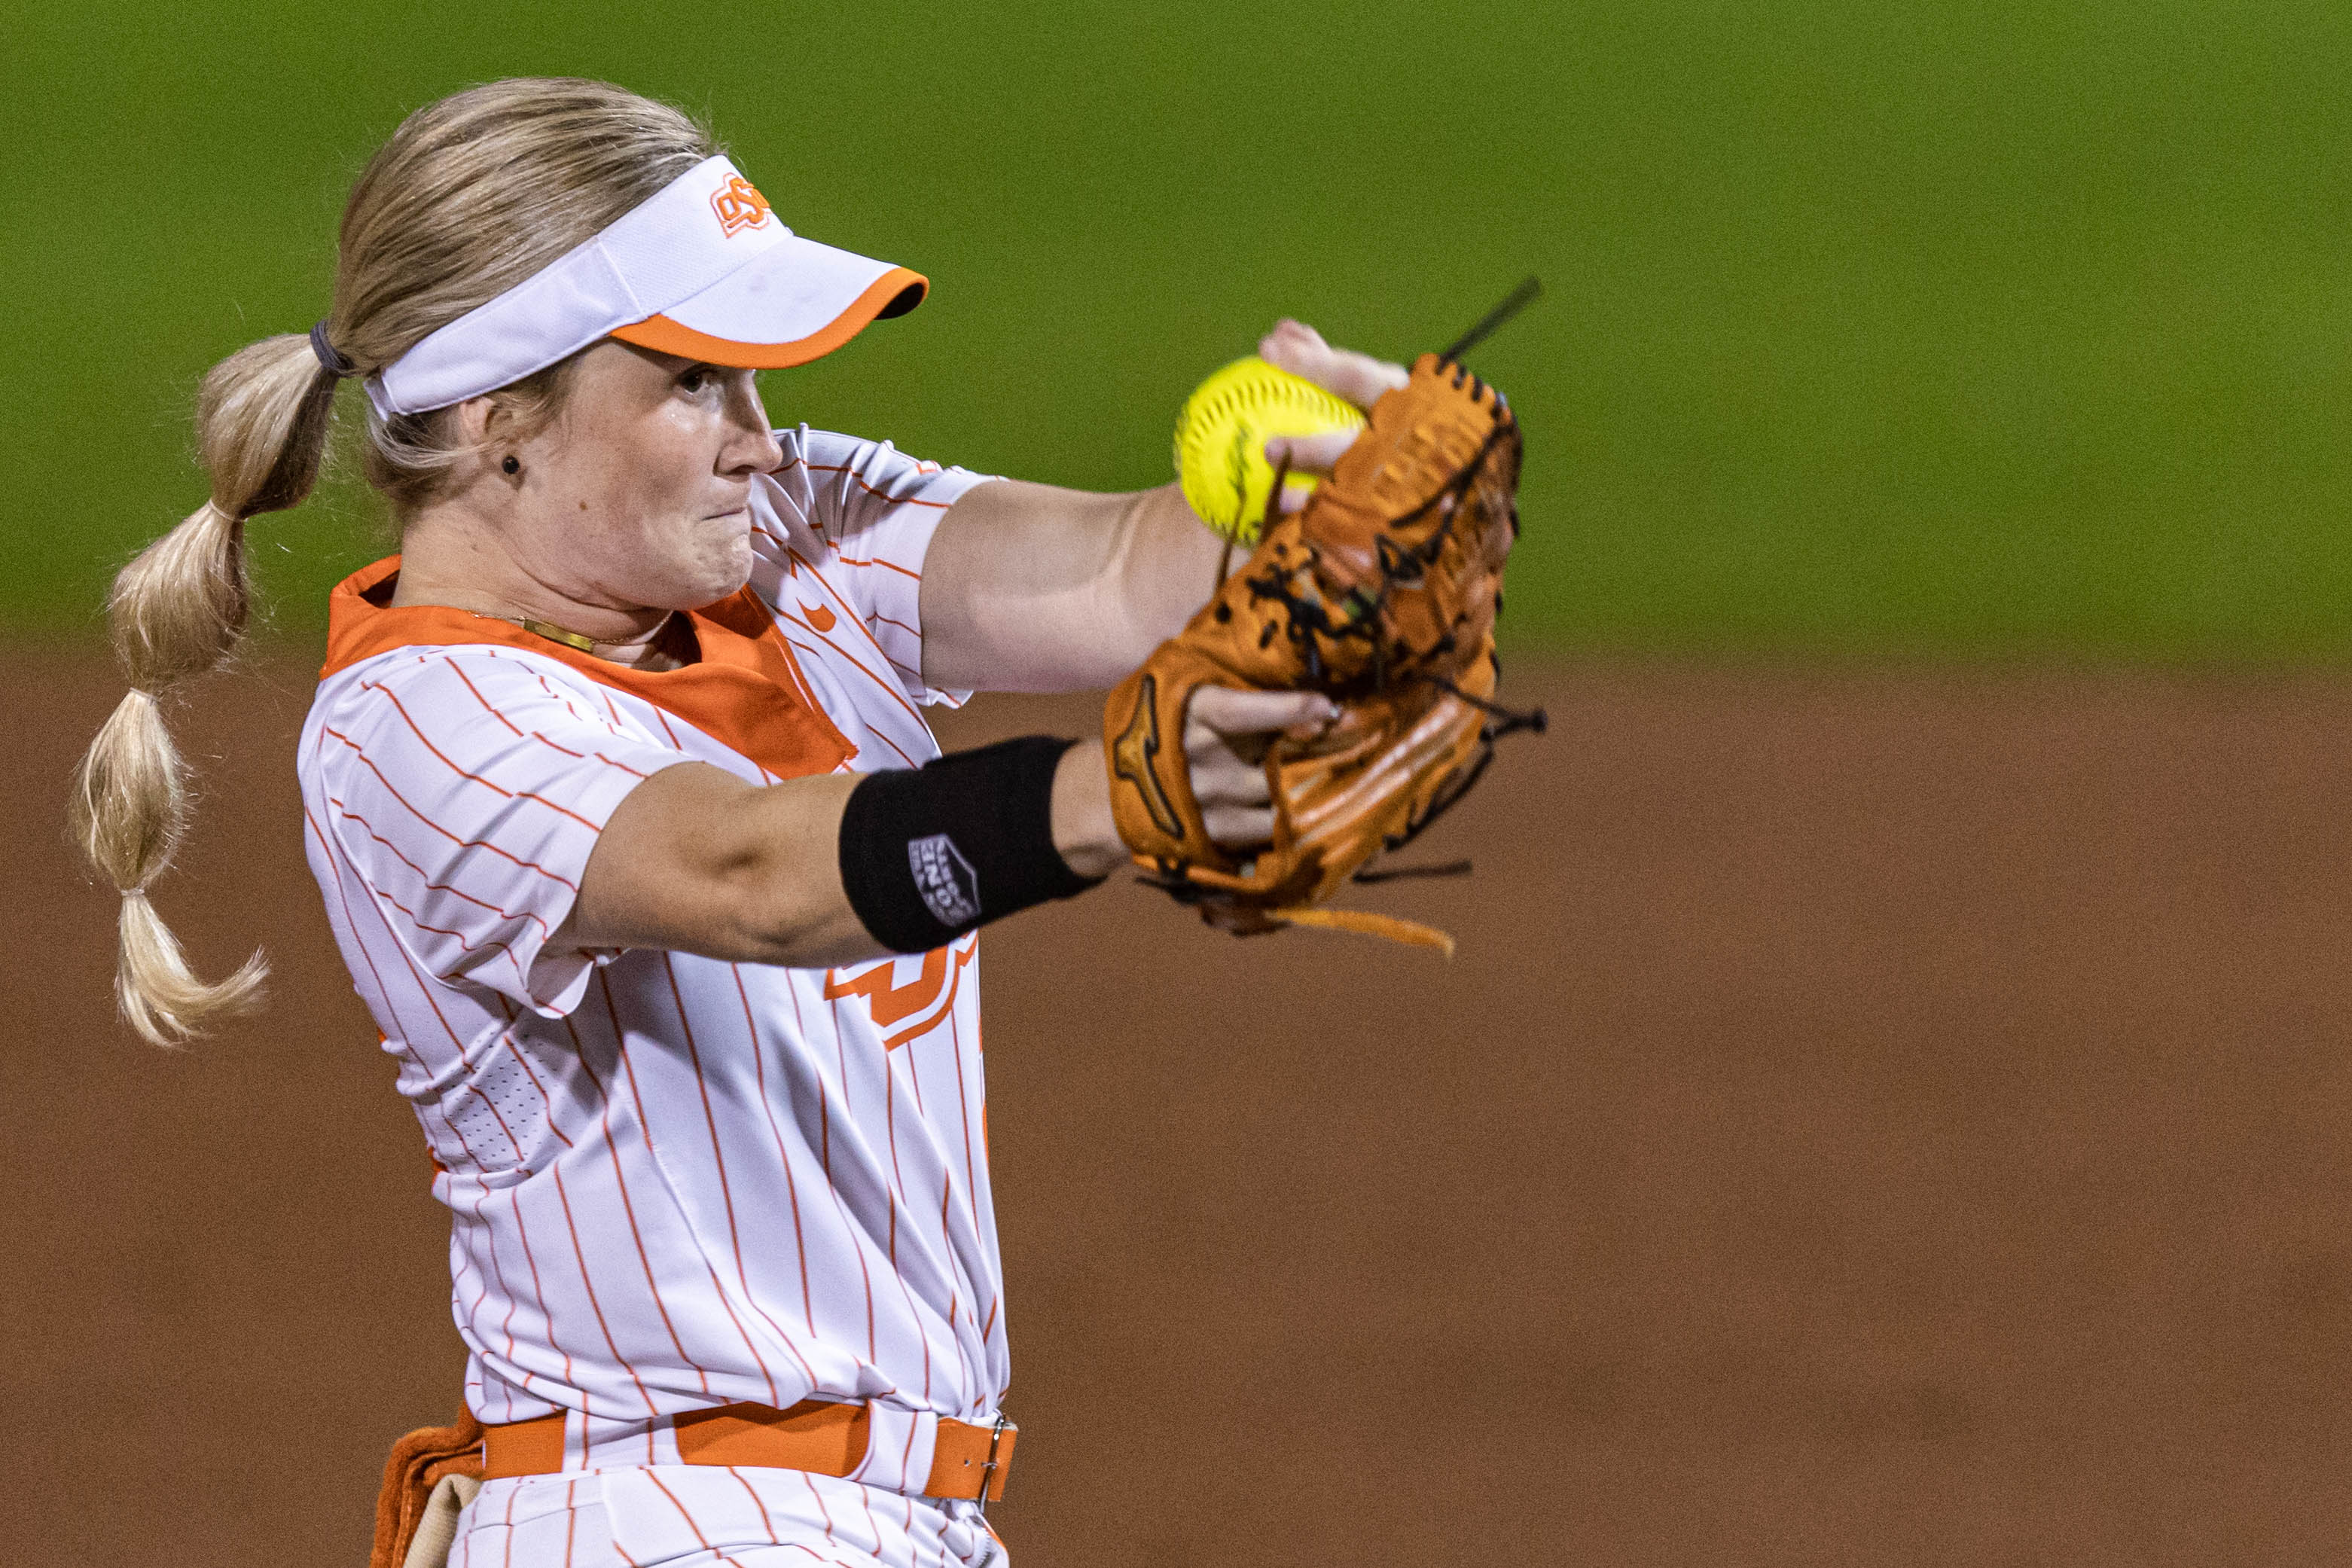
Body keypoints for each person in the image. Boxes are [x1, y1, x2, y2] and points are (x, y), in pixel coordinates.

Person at [69, 78, 1415, 1568]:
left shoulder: (783, 540)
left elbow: (1113, 569)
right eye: (694, 382)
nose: (757, 439)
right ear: (494, 417)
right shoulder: (418, 722)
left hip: (876, 1526)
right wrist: (1096, 800)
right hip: (670, 1518)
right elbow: (741, 872)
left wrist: (1320, 506)